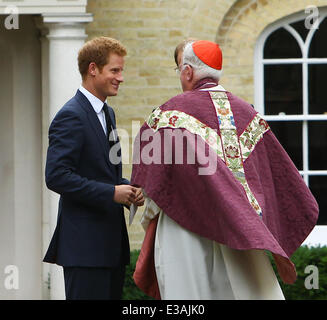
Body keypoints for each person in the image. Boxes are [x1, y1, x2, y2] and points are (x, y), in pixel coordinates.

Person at [130, 40, 319, 300]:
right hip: (240, 230)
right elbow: (276, 176)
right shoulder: (249, 115)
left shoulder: (168, 115)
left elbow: (154, 183)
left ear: (187, 71)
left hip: (184, 228)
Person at [43, 36, 144, 300]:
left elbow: (103, 173)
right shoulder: (71, 115)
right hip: (84, 249)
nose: (120, 77)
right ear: (93, 69)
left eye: (121, 71)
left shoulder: (108, 114)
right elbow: (56, 176)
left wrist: (130, 189)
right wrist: (112, 193)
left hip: (110, 247)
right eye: (115, 70)